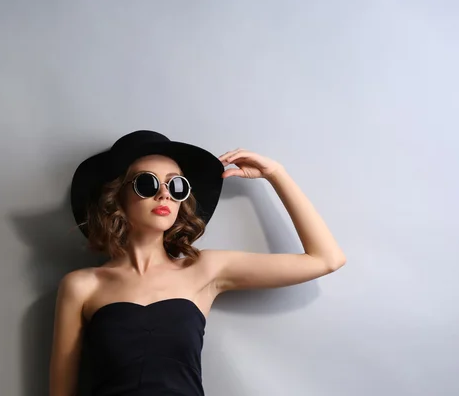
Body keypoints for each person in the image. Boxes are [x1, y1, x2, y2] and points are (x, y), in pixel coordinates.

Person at [49, 130, 346, 396]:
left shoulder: (204, 270)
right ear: (117, 196)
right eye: (147, 183)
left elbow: (326, 259)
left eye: (176, 185)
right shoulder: (81, 286)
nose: (164, 193)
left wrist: (277, 174)